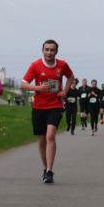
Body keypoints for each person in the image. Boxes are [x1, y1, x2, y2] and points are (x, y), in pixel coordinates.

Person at [20, 40, 74, 183]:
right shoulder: (35, 65)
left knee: (50, 135)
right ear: (42, 50)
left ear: (56, 52)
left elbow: (70, 77)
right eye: (47, 50)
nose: (49, 52)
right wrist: (38, 88)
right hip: (39, 107)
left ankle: (50, 170)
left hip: (55, 105)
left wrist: (65, 91)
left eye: (52, 50)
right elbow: (23, 84)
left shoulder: (62, 65)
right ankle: (45, 168)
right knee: (42, 140)